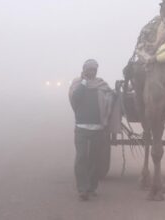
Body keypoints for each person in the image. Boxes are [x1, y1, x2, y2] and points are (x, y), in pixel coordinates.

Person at [68, 59, 114, 201]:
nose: (92, 72)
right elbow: (75, 98)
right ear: (84, 70)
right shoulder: (77, 84)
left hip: (98, 128)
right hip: (81, 127)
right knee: (81, 157)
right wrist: (84, 82)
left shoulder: (101, 85)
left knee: (95, 159)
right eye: (89, 69)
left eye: (94, 69)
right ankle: (82, 189)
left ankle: (91, 187)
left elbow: (110, 97)